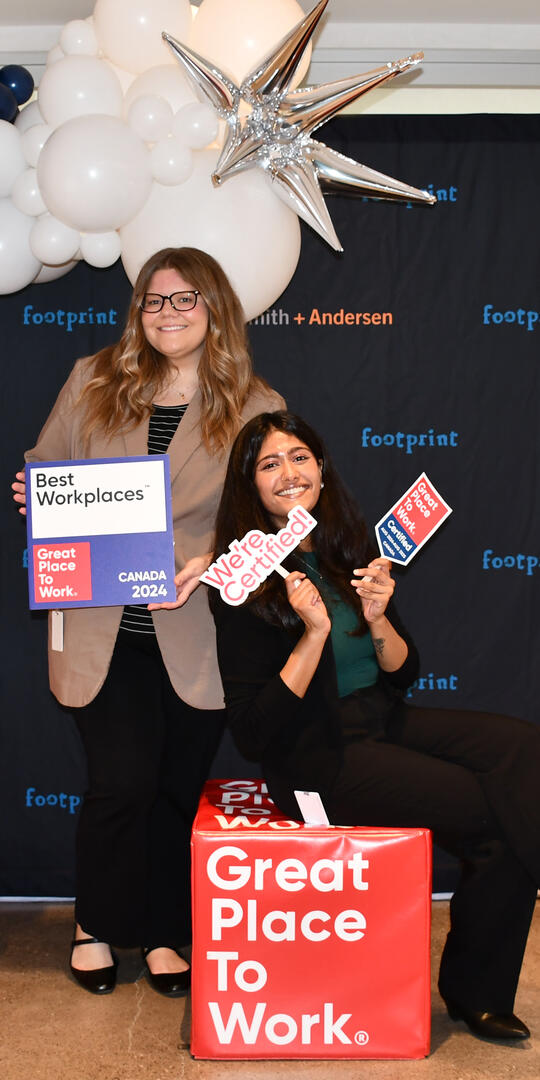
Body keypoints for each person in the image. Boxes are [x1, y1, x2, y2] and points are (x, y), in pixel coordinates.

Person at [209, 409, 540, 1043]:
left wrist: (379, 617)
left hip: (381, 719)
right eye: (269, 464)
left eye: (299, 456)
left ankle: (476, 990)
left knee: (522, 747)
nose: (288, 472)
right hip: (313, 759)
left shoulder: (345, 545)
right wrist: (312, 635)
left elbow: (403, 670)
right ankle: (479, 994)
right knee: (495, 818)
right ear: (250, 486)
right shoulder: (243, 582)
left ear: (322, 467)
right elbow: (253, 735)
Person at [12, 247, 284, 996]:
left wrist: (208, 556)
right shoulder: (92, 379)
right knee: (120, 785)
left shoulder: (257, 407)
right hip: (103, 627)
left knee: (173, 790)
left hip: (196, 631)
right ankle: (94, 923)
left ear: (215, 309)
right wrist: (39, 496)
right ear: (138, 313)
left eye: (184, 300)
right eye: (153, 301)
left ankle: (166, 931)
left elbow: (277, 519)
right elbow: (47, 462)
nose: (166, 314)